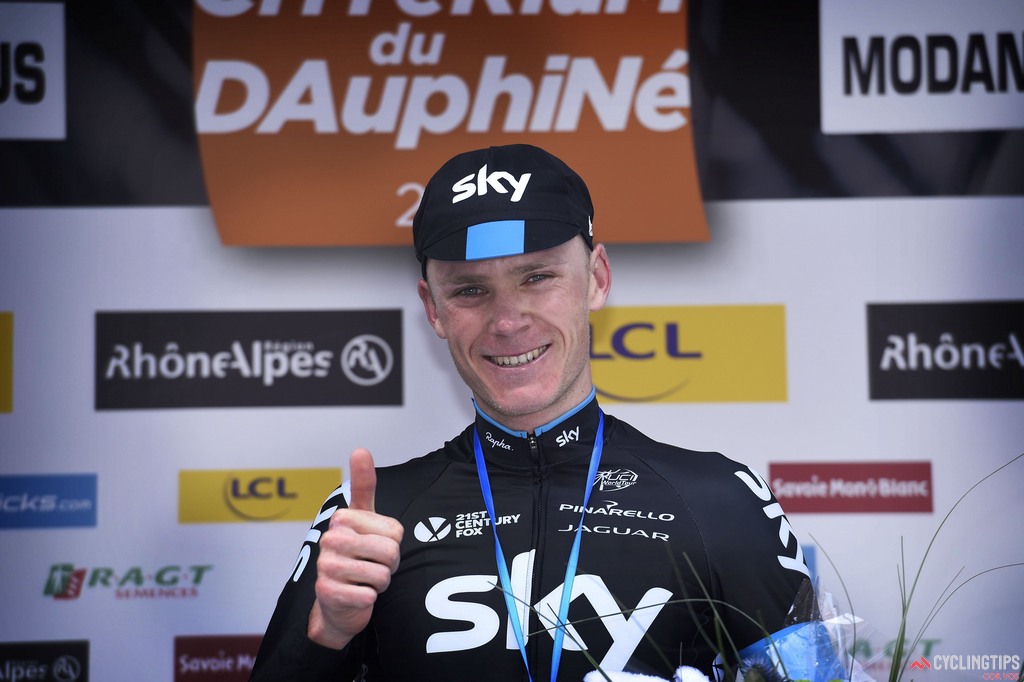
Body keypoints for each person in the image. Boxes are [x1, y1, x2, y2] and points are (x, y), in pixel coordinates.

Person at [250, 144, 821, 682]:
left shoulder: (718, 497)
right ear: (433, 309)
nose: (507, 321)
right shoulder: (372, 519)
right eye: (470, 291)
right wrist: (326, 636)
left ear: (595, 278)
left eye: (538, 277)